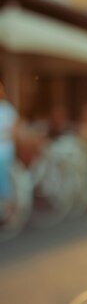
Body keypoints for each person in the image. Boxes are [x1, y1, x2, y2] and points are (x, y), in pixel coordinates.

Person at [0, 82, 18, 224]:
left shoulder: (8, 110)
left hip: (4, 150)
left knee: (3, 177)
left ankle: (9, 208)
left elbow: (13, 131)